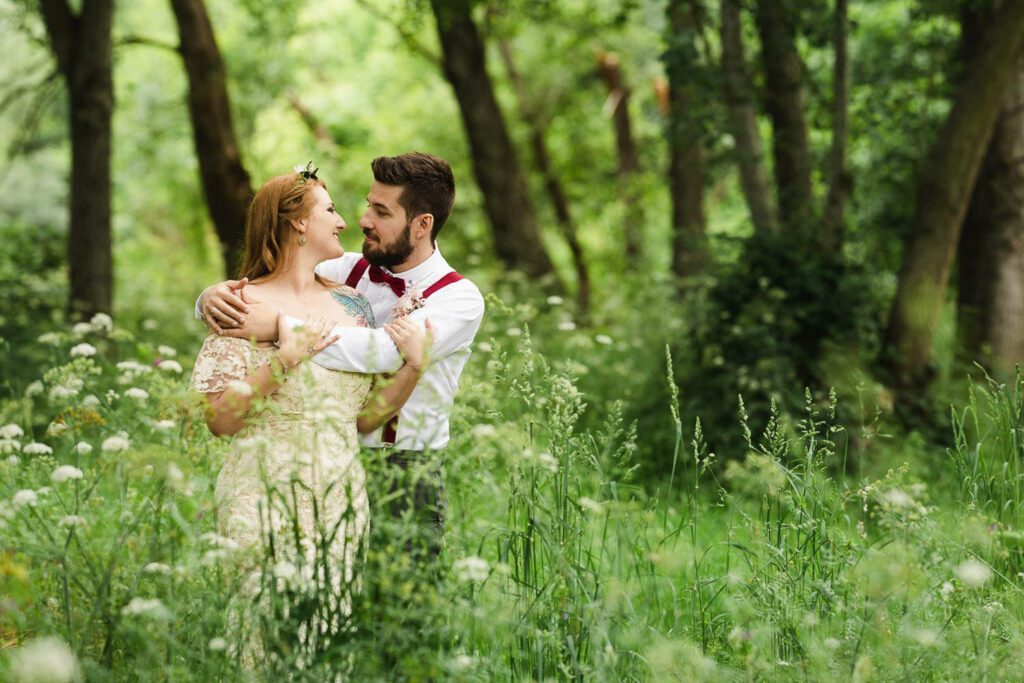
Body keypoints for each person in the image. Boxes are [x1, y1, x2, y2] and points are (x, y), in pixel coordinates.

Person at [188, 165, 428, 664]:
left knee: (327, 638)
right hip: (260, 493)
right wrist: (283, 359)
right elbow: (219, 420)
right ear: (297, 222)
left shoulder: (354, 306)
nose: (343, 221)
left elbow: (364, 419)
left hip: (340, 494)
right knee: (260, 635)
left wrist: (413, 367)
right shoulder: (239, 302)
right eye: (331, 209)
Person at [197, 152, 485, 556]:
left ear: (422, 225)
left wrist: (281, 327)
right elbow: (277, 276)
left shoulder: (459, 298)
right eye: (368, 204)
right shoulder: (346, 271)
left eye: (381, 211)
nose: (362, 220)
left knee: (401, 610)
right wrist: (210, 298)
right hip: (330, 462)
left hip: (404, 468)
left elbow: (384, 352)